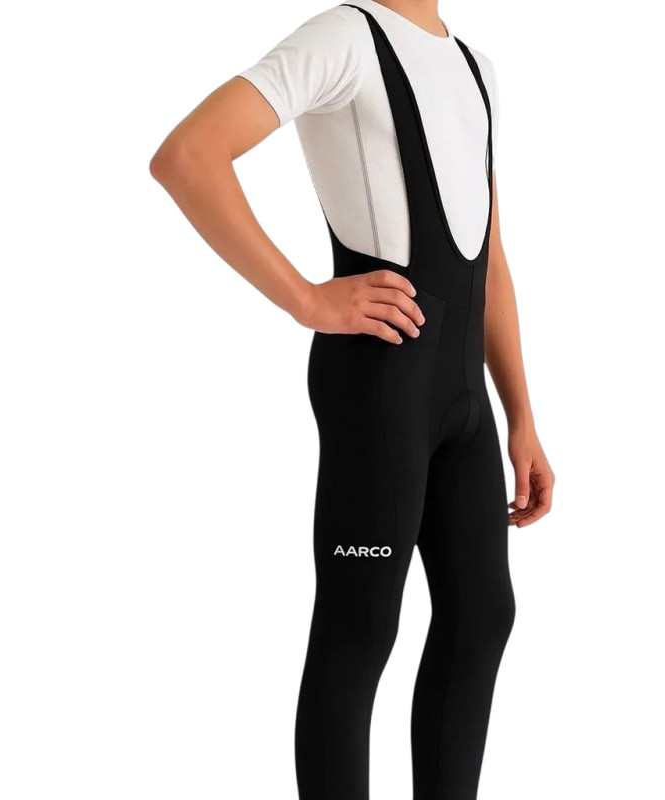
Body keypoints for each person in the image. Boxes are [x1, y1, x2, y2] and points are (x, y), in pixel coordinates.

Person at [150, 1, 555, 797]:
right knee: (360, 627)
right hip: (379, 388)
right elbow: (187, 156)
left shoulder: (475, 69)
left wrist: (522, 416)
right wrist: (307, 299)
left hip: (462, 399)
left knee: (481, 617)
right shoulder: (345, 37)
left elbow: (492, 260)